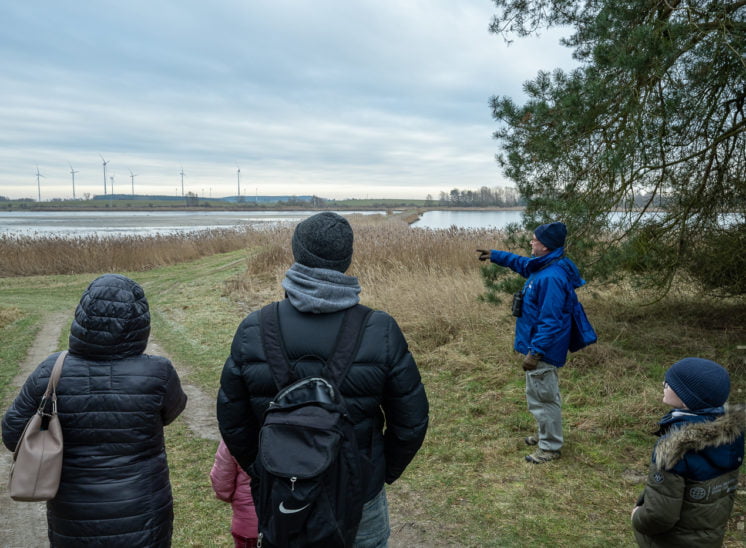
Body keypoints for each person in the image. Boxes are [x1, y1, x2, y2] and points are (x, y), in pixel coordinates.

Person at [217, 211, 429, 547]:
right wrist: (376, 472)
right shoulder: (380, 329)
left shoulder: (255, 327)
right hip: (360, 493)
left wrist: (263, 468)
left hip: (282, 489)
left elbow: (232, 420)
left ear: (297, 252)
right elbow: (411, 422)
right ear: (346, 259)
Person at [2, 274, 187, 547]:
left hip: (73, 513)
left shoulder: (51, 370)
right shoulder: (158, 372)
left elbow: (12, 433)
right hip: (143, 508)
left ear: (83, 316)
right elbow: (171, 413)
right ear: (140, 321)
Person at [477, 221, 584, 463]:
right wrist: (496, 256)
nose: (531, 242)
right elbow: (522, 263)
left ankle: (550, 447)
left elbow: (551, 320)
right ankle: (545, 434)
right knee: (538, 395)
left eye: (534, 239)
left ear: (545, 246)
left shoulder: (551, 277)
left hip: (543, 350)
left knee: (544, 398)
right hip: (539, 346)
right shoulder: (544, 266)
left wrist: (535, 353)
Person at [631, 358, 745, 547]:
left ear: (687, 397)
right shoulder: (732, 436)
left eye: (670, 383)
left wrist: (638, 517)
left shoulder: (674, 448)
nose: (663, 385)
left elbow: (659, 515)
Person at [210, 438, 259, 548]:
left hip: (249, 524)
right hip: (289, 521)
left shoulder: (234, 434)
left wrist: (227, 496)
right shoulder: (295, 432)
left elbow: (221, 482)